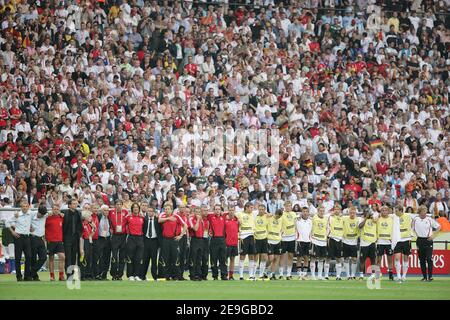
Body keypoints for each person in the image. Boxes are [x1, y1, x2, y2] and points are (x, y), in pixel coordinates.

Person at [158, 203, 187, 281]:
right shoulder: (162, 215)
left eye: (168, 209)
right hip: (165, 240)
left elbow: (185, 225)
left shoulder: (176, 216)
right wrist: (168, 218)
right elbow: (159, 220)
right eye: (165, 209)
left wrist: (180, 235)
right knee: (165, 258)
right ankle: (166, 276)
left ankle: (176, 275)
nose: (166, 210)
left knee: (175, 257)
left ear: (171, 210)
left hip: (174, 239)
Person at [6, 199, 33, 281]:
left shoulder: (31, 214)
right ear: (21, 207)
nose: (25, 208)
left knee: (28, 256)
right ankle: (19, 276)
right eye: (23, 206)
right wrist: (13, 232)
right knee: (18, 257)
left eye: (26, 206)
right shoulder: (17, 215)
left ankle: (27, 276)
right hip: (18, 238)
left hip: (27, 237)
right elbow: (7, 222)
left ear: (28, 207)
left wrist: (31, 227)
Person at [413, 205, 441, 282]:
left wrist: (433, 235)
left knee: (429, 258)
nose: (425, 213)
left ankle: (430, 276)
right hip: (420, 240)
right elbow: (412, 228)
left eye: (425, 211)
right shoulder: (415, 219)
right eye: (423, 211)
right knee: (421, 260)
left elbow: (439, 227)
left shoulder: (429, 219)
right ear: (420, 211)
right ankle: (424, 277)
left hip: (428, 240)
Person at [236, 202, 257, 280]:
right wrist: (237, 219)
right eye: (251, 207)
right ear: (246, 207)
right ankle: (241, 276)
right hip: (243, 237)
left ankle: (251, 275)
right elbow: (229, 214)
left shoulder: (253, 214)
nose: (252, 209)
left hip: (251, 236)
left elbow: (264, 211)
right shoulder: (239, 214)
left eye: (252, 207)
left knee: (251, 255)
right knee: (242, 256)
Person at [62, 199, 82, 278]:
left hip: (75, 238)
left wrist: (79, 235)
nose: (75, 205)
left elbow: (80, 226)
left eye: (76, 203)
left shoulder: (78, 213)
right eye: (73, 204)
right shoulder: (64, 213)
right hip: (67, 237)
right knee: (68, 257)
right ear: (69, 205)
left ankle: (73, 273)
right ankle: (68, 274)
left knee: (74, 256)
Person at [45, 203, 65, 281]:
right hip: (50, 241)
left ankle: (61, 275)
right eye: (54, 209)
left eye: (57, 209)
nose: (56, 210)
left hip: (59, 241)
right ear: (52, 210)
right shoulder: (48, 218)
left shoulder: (61, 218)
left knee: (62, 257)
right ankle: (52, 276)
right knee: (51, 258)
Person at [207, 204, 228, 280]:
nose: (217, 211)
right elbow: (206, 212)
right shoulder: (211, 217)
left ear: (221, 210)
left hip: (222, 240)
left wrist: (223, 212)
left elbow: (231, 212)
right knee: (213, 258)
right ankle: (215, 276)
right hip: (214, 239)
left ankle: (224, 275)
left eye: (219, 209)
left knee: (223, 259)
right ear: (214, 210)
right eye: (216, 209)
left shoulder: (224, 217)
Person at [109, 199, 128, 281]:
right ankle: (113, 274)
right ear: (115, 205)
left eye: (120, 204)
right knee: (114, 256)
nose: (119, 205)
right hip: (115, 236)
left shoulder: (125, 212)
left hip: (123, 236)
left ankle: (120, 275)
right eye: (117, 204)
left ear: (122, 205)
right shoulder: (111, 212)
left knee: (122, 256)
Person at [141, 205, 161, 281]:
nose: (150, 212)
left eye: (151, 211)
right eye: (148, 211)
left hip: (154, 241)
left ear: (154, 212)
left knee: (154, 260)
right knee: (145, 259)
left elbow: (160, 231)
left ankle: (155, 276)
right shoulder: (144, 220)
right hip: (146, 240)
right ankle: (142, 276)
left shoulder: (157, 220)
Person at [125, 202, 144, 281]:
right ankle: (130, 275)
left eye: (137, 207)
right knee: (130, 257)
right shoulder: (128, 217)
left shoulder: (142, 218)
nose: (136, 208)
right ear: (132, 209)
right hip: (131, 238)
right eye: (134, 207)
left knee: (138, 258)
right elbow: (123, 225)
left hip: (140, 239)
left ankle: (136, 275)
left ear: (139, 209)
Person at [393, 205, 413, 282]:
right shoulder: (394, 216)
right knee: (397, 258)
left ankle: (404, 276)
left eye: (396, 210)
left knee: (405, 258)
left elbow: (419, 216)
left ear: (401, 210)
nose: (395, 212)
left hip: (406, 239)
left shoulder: (408, 216)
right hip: (397, 240)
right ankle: (398, 275)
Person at [188, 206, 207, 281]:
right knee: (193, 258)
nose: (198, 214)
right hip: (194, 239)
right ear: (194, 212)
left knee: (199, 258)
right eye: (196, 212)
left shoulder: (201, 220)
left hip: (201, 240)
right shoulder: (192, 219)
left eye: (199, 212)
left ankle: (198, 274)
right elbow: (195, 229)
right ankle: (192, 275)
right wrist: (198, 220)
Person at [358, 208, 378, 279]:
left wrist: (372, 217)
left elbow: (377, 220)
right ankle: (361, 275)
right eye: (366, 212)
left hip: (372, 242)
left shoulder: (374, 220)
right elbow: (360, 226)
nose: (368, 214)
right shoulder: (361, 219)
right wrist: (366, 218)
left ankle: (373, 275)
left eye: (369, 212)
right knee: (362, 260)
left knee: (373, 260)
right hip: (364, 243)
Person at [30, 204, 48, 281]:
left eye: (44, 214)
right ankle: (35, 276)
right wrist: (29, 226)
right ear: (38, 212)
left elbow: (54, 212)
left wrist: (61, 213)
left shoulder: (45, 215)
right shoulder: (31, 214)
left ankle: (30, 272)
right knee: (33, 258)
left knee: (44, 257)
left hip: (41, 239)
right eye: (41, 214)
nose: (42, 216)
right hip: (32, 238)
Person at [376, 206, 394, 281]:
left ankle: (390, 274)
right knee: (378, 260)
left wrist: (393, 239)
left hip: (388, 242)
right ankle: (377, 275)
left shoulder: (391, 219)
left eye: (385, 210)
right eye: (382, 210)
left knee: (390, 259)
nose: (384, 211)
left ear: (388, 211)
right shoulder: (378, 219)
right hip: (380, 241)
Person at [326, 204, 344, 280]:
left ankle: (338, 276)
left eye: (338, 209)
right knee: (328, 257)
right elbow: (323, 216)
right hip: (331, 238)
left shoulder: (343, 218)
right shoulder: (329, 217)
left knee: (338, 258)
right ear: (333, 210)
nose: (337, 210)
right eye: (335, 209)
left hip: (339, 240)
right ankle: (326, 275)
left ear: (340, 210)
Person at [280, 201, 297, 280]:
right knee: (282, 256)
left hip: (292, 238)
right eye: (287, 206)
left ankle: (288, 274)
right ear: (284, 206)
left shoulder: (294, 214)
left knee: (290, 256)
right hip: (284, 238)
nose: (288, 207)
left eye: (290, 206)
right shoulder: (281, 214)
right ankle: (281, 274)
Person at [310, 206, 328, 280]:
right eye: (320, 211)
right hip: (315, 240)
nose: (322, 212)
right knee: (313, 258)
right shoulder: (314, 218)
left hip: (323, 241)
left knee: (321, 259)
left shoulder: (326, 219)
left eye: (323, 211)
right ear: (317, 211)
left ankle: (320, 275)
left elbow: (327, 229)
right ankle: (313, 275)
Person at [342, 207, 360, 280]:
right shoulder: (344, 218)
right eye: (351, 212)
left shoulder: (358, 220)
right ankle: (348, 275)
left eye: (353, 212)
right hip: (345, 241)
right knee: (346, 258)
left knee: (354, 259)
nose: (352, 214)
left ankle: (352, 275)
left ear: (355, 213)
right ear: (349, 213)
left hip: (354, 242)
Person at [254, 204, 269, 280]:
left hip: (264, 239)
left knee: (264, 257)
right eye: (260, 209)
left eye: (263, 209)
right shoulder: (254, 216)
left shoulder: (267, 216)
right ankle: (252, 275)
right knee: (255, 257)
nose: (261, 211)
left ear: (265, 210)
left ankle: (261, 274)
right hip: (256, 239)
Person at [96, 204, 111, 280]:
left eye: (107, 210)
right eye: (105, 210)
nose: (107, 212)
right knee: (100, 257)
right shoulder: (98, 217)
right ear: (101, 211)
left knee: (107, 257)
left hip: (107, 239)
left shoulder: (109, 218)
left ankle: (104, 275)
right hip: (100, 239)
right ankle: (98, 273)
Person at [267, 209, 283, 280]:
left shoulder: (281, 219)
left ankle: (272, 274)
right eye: (277, 216)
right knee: (271, 258)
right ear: (275, 214)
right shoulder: (269, 217)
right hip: (270, 240)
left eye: (279, 217)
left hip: (278, 241)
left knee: (276, 258)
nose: (278, 218)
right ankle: (264, 269)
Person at [80, 210, 95, 281]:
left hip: (89, 242)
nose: (91, 217)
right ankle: (82, 275)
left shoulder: (89, 225)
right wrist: (81, 248)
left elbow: (90, 236)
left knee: (89, 258)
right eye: (89, 216)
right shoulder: (82, 224)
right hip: (84, 242)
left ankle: (87, 274)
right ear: (85, 217)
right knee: (84, 258)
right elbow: (81, 237)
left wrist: (94, 229)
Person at [225, 207, 239, 280]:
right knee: (225, 259)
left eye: (232, 210)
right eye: (230, 210)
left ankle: (231, 275)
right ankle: (224, 274)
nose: (231, 211)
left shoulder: (237, 220)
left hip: (234, 243)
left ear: (234, 211)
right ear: (228, 211)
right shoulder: (225, 220)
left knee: (232, 259)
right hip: (227, 243)